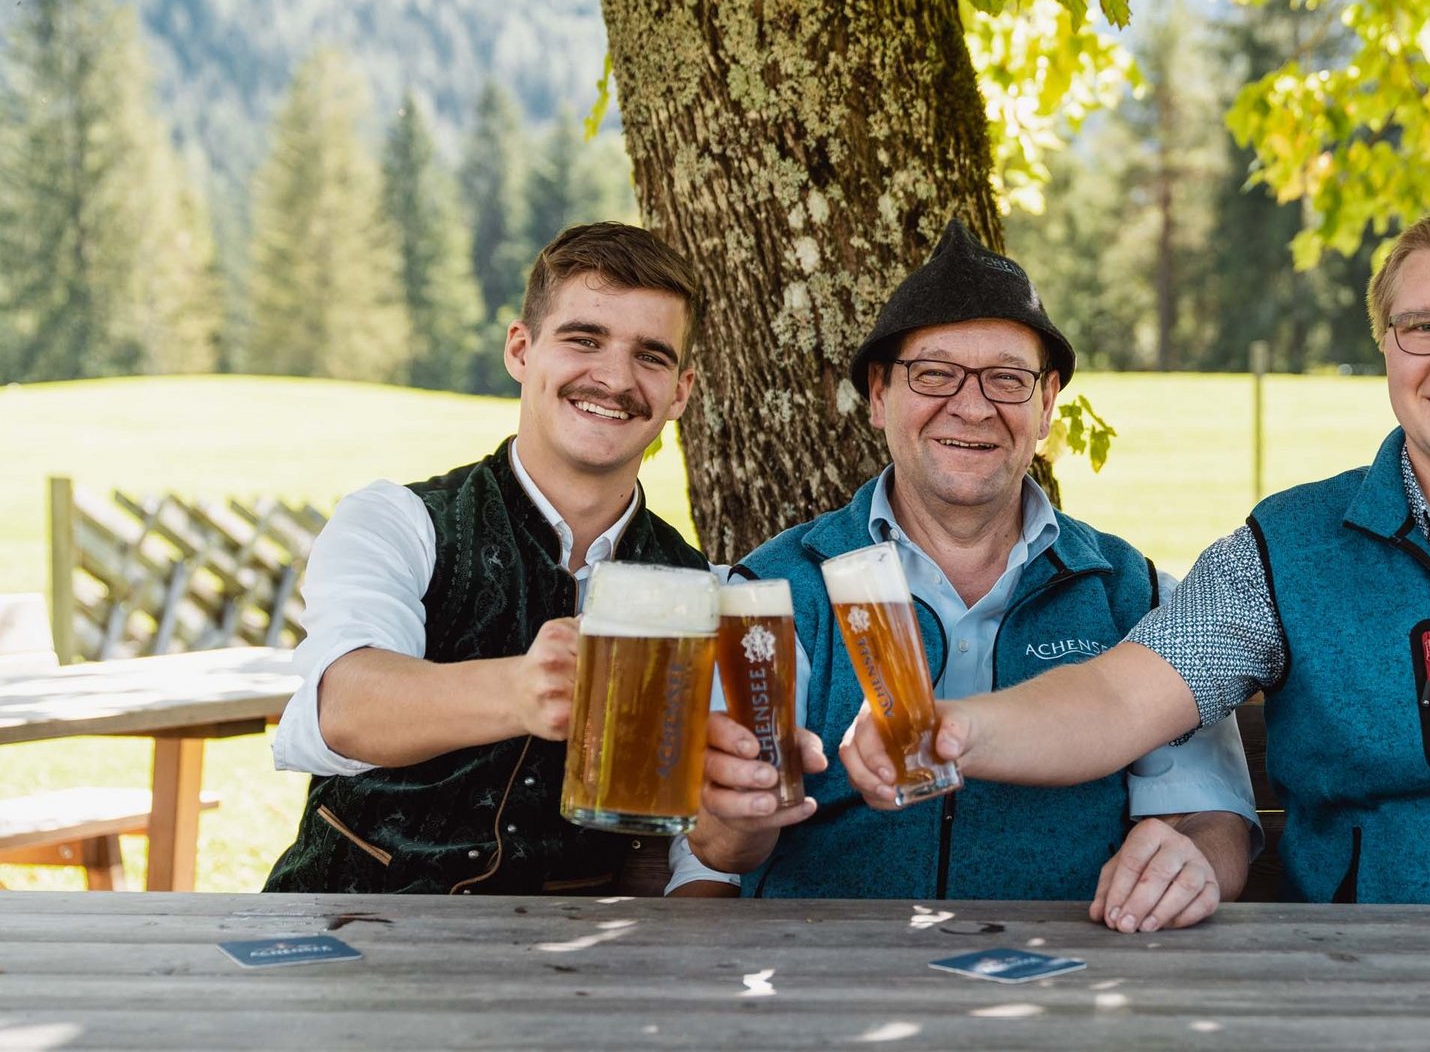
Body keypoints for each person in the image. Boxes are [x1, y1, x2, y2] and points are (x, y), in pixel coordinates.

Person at [840, 203, 1430, 960]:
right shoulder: (1286, 547)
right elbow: (1117, 696)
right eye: (1421, 325)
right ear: (1386, 346)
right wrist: (953, 728)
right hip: (1347, 984)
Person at [678, 219, 1258, 931]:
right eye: (935, 374)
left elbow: (1212, 820)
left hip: (1071, 980)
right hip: (827, 991)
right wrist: (736, 820)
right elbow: (710, 861)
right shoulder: (773, 593)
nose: (973, 405)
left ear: (1046, 407)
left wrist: (1191, 860)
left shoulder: (1129, 591)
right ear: (878, 395)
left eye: (1008, 379)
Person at [265, 222, 709, 894]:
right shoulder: (397, 521)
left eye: (651, 356)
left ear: (680, 392)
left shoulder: (697, 586)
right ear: (521, 350)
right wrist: (519, 690)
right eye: (583, 339)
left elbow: (669, 847)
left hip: (566, 969)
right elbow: (344, 708)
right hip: (354, 939)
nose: (615, 378)